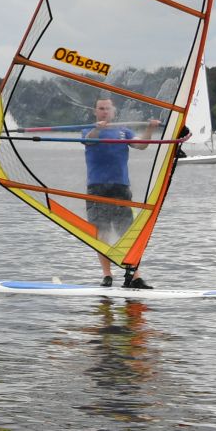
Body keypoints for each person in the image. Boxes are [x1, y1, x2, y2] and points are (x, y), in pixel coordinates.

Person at [82, 97, 157, 289]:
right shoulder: (89, 130)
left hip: (121, 188)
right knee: (102, 233)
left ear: (114, 111)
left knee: (127, 233)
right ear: (95, 111)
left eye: (107, 109)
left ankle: (134, 276)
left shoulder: (124, 131)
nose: (104, 112)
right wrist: (98, 128)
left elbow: (141, 145)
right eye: (101, 109)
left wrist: (150, 129)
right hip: (97, 188)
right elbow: (88, 141)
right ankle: (107, 276)